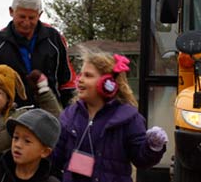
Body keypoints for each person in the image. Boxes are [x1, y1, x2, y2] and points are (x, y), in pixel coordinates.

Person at [52, 50, 168, 182]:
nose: (80, 80)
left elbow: (141, 160)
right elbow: (57, 157)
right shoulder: (70, 115)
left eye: (88, 76)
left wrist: (153, 147)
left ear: (108, 83)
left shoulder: (128, 118)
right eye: (81, 75)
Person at [0, 0, 76, 108]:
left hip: (49, 113)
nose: (26, 22)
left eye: (32, 17)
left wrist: (68, 113)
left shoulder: (55, 39)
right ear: (11, 12)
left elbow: (67, 81)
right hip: (10, 115)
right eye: (22, 16)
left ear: (39, 15)